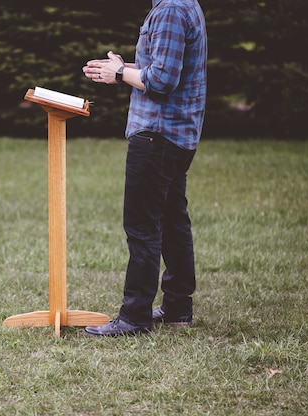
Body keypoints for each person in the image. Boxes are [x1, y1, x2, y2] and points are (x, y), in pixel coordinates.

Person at [82, 0, 208, 336]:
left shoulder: (170, 9)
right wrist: (124, 68)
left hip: (157, 135)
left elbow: (163, 80)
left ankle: (134, 317)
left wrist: (120, 73)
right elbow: (166, 66)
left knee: (142, 226)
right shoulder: (183, 5)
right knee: (171, 220)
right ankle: (178, 307)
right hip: (176, 136)